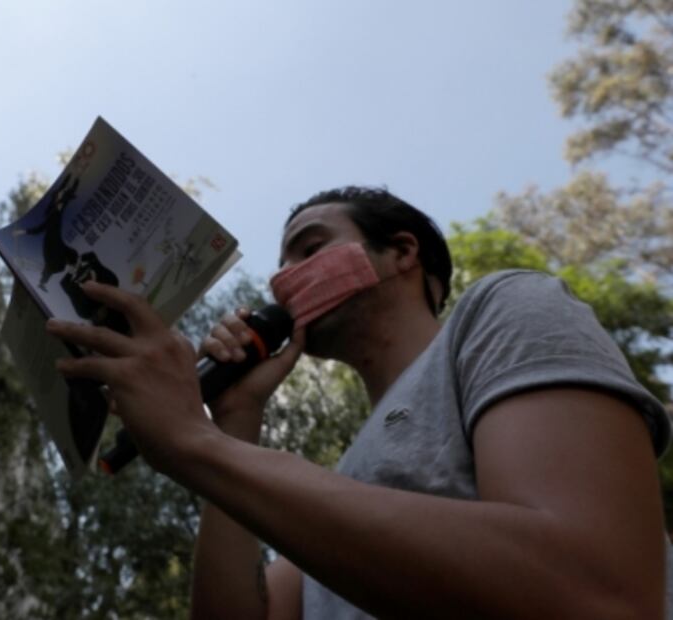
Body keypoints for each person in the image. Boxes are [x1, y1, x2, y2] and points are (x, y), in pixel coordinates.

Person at [45, 186, 671, 618]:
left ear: (402, 252)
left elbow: (598, 592)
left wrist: (193, 442)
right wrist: (233, 427)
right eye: (280, 263)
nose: (282, 279)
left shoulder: (503, 306)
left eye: (310, 248)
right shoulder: (343, 488)